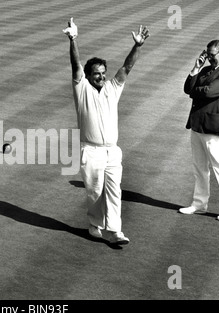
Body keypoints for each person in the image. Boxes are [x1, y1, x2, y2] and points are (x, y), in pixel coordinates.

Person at [63, 18, 150, 244]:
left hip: (112, 151)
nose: (101, 76)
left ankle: (115, 231)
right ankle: (94, 223)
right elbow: (76, 66)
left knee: (114, 190)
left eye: (103, 72)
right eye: (97, 73)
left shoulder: (113, 88)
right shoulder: (81, 89)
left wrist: (137, 46)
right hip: (90, 151)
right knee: (94, 192)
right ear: (89, 75)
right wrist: (73, 39)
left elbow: (127, 67)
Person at [180, 40, 219, 221]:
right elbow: (187, 88)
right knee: (199, 167)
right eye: (207, 54)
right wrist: (195, 68)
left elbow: (209, 92)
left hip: (213, 127)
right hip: (197, 124)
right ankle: (199, 204)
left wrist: (195, 90)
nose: (209, 58)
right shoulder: (206, 70)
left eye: (212, 55)